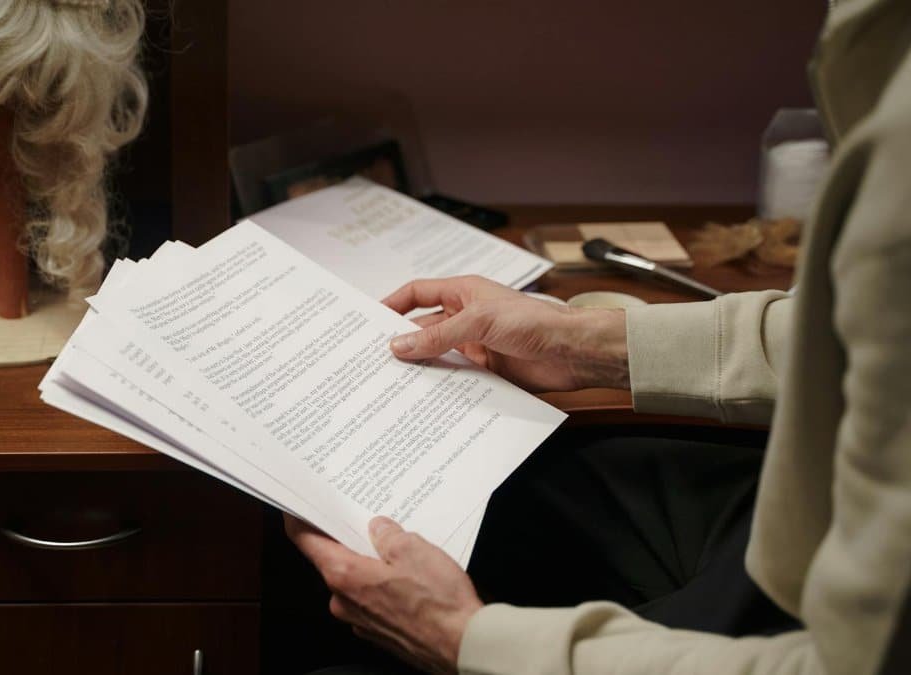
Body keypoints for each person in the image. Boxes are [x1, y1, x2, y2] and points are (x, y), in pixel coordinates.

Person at [285, 0, 911, 672]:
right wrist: (583, 342)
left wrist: (465, 641)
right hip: (815, 514)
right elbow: (852, 336)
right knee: (537, 482)